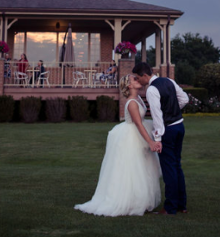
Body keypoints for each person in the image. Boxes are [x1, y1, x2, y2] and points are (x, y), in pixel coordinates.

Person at [74, 75, 161, 217]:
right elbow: (138, 124)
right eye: (135, 80)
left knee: (143, 170)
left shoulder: (139, 98)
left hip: (137, 134)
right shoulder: (132, 103)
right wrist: (150, 142)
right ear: (129, 86)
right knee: (131, 170)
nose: (138, 80)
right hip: (131, 137)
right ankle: (129, 201)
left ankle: (141, 201)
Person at [132, 62, 189, 215]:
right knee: (177, 165)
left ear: (145, 75)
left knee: (169, 168)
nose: (138, 81)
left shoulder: (152, 90)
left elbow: (157, 117)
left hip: (168, 131)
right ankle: (181, 205)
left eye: (138, 78)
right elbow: (184, 99)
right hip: (179, 126)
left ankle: (170, 207)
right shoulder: (169, 80)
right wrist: (174, 110)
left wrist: (157, 139)